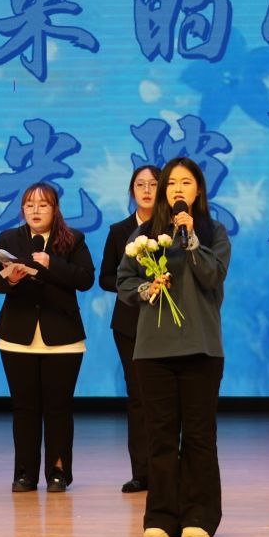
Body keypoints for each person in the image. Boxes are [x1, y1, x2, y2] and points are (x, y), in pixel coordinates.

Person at [117, 157, 232, 537]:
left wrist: (192, 239)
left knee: (199, 436)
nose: (178, 189)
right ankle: (161, 516)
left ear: (198, 190)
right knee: (161, 436)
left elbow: (213, 276)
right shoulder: (144, 236)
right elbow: (124, 282)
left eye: (186, 182)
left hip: (201, 347)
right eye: (171, 183)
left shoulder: (213, 232)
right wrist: (147, 288)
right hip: (153, 351)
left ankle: (200, 516)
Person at [0, 182, 95, 492]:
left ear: (55, 209)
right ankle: (25, 473)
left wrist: (52, 265)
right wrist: (9, 278)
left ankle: (58, 472)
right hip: (17, 336)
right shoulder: (8, 239)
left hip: (62, 336)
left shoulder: (72, 239)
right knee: (24, 409)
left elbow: (86, 279)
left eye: (43, 205)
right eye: (29, 205)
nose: (35, 210)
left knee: (58, 409)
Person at [100, 166, 161, 493]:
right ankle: (142, 472)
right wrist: (139, 286)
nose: (147, 190)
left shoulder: (173, 230)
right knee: (138, 398)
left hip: (167, 323)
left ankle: (168, 470)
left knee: (166, 399)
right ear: (132, 190)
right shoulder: (119, 231)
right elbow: (105, 277)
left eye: (153, 184)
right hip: (130, 325)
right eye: (140, 184)